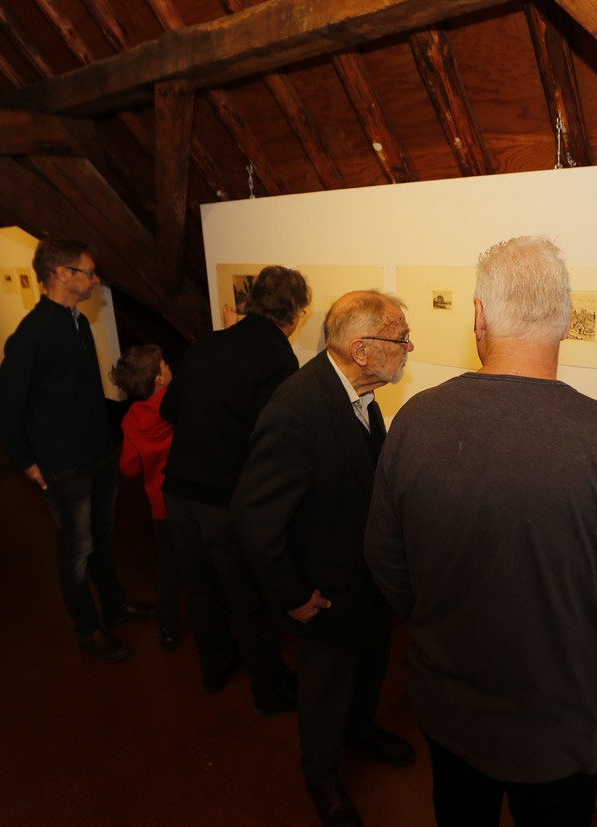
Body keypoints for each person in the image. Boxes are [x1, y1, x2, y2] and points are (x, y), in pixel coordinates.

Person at [364, 237, 597, 827]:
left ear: (479, 317)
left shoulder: (414, 421)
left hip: (446, 707)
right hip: (555, 728)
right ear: (565, 322)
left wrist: (439, 620)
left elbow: (384, 557)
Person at [235, 290, 418, 827]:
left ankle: (360, 731)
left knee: (371, 667)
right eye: (400, 337)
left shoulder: (360, 393)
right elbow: (254, 519)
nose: (409, 347)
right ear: (362, 350)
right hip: (325, 591)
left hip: (365, 580)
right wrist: (292, 596)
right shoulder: (296, 410)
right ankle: (321, 774)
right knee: (326, 689)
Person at [0, 239, 156, 663]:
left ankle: (115, 605)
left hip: (96, 454)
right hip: (64, 466)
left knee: (101, 538)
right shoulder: (33, 335)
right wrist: (27, 462)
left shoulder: (77, 323)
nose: (95, 280)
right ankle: (88, 629)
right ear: (62, 274)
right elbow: (4, 407)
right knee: (76, 550)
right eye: (89, 272)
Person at [160, 266, 307, 714]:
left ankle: (215, 670)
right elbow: (272, 440)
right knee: (247, 599)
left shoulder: (207, 344)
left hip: (179, 492)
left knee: (201, 590)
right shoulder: (278, 358)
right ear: (295, 314)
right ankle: (269, 692)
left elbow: (169, 409)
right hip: (225, 499)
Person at [110, 344, 180, 653]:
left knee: (167, 565)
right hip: (190, 497)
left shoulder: (131, 420)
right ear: (159, 379)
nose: (168, 366)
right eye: (164, 364)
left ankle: (168, 629)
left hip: (162, 505)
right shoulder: (179, 402)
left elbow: (129, 468)